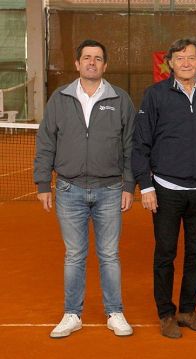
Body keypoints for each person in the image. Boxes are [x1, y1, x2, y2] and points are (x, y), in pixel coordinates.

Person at [131, 38, 196, 339]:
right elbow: (140, 145)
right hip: (165, 189)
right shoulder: (154, 95)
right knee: (165, 253)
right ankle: (166, 314)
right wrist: (145, 186)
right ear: (171, 63)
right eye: (180, 57)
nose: (186, 62)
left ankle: (187, 310)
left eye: (191, 57)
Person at [34, 39, 135, 338]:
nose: (92, 62)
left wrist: (129, 184)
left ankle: (115, 312)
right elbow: (46, 142)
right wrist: (43, 183)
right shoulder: (60, 98)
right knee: (74, 255)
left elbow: (130, 145)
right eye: (86, 58)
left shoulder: (120, 99)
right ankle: (72, 314)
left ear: (105, 65)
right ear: (77, 64)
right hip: (69, 189)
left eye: (98, 58)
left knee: (109, 255)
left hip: (111, 189)